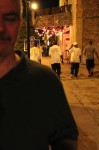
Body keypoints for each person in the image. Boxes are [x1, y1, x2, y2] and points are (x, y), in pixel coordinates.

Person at [0, 0, 78, 150]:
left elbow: (66, 137)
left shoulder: (45, 82)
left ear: (20, 23)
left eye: (9, 18)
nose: (0, 27)